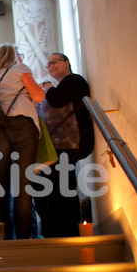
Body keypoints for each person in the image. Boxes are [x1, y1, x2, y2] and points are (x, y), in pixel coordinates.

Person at [0, 43, 45, 240]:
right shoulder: (20, 69)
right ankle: (24, 237)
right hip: (22, 126)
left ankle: (0, 224)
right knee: (23, 185)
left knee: (0, 181)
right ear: (14, 56)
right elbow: (38, 95)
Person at [35, 52, 94, 237]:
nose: (51, 66)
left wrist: (47, 86)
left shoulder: (74, 81)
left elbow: (57, 100)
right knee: (62, 188)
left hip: (71, 143)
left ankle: (60, 234)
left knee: (59, 190)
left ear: (67, 62)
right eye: (48, 65)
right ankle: (66, 232)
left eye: (55, 62)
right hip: (62, 145)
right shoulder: (64, 85)